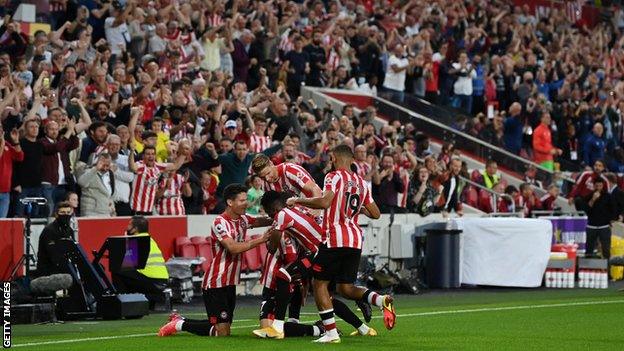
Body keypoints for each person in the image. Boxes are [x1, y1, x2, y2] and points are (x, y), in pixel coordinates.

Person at [287, 144, 395, 343]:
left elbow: (324, 202)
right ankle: (381, 300)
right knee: (346, 288)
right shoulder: (362, 183)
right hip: (354, 240)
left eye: (331, 158)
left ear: (335, 158)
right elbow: (376, 214)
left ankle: (331, 333)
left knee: (319, 284)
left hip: (334, 238)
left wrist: (298, 200)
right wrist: (357, 210)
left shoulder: (333, 176)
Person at [253, 190, 374, 339]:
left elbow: (272, 247)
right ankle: (364, 328)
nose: (271, 217)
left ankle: (277, 327)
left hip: (319, 251)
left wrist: (269, 237)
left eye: (270, 214)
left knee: (283, 274)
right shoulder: (297, 209)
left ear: (272, 209)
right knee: (325, 299)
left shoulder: (281, 215)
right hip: (329, 249)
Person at [158, 183, 273, 337]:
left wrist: (279, 215)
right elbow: (232, 247)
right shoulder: (220, 223)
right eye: (242, 200)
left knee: (222, 326)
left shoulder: (243, 220)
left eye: (246, 200)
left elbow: (260, 221)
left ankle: (180, 320)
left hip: (230, 282)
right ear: (230, 202)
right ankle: (179, 324)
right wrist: (261, 240)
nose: (246, 203)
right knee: (222, 331)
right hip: (216, 282)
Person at [112, 216, 169, 309]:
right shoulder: (149, 239)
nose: (127, 227)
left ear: (135, 229)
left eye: (129, 225)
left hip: (152, 281)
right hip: (161, 280)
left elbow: (128, 265)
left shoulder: (136, 240)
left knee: (117, 271)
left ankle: (123, 303)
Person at [252, 154, 321, 199]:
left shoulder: (289, 170)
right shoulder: (265, 186)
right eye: (262, 177)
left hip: (314, 204)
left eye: (268, 173)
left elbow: (315, 189)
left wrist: (317, 209)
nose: (267, 178)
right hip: (297, 213)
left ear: (271, 164)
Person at [35, 201, 75, 277]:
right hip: (48, 272)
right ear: (56, 214)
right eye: (62, 212)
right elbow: (53, 255)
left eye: (68, 212)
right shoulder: (49, 230)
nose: (66, 215)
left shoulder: (69, 230)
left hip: (63, 270)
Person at [582, 178, 614, 259]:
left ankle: (607, 269)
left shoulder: (608, 196)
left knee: (606, 249)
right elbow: (586, 210)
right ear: (594, 186)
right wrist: (593, 199)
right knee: (589, 249)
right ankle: (587, 269)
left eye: (600, 186)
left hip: (604, 226)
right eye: (597, 186)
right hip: (591, 226)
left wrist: (610, 220)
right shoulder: (588, 196)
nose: (598, 188)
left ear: (603, 186)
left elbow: (612, 209)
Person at [77, 152, 116, 217]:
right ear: (97, 162)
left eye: (107, 165)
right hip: (91, 212)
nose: (105, 168)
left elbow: (110, 194)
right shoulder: (89, 171)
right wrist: (95, 169)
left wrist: (113, 210)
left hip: (106, 212)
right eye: (103, 165)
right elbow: (81, 182)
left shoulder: (110, 174)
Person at [0, 125, 23, 217]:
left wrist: (16, 141)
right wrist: (2, 143)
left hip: (5, 192)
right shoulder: (3, 144)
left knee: (2, 224)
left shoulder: (6, 144)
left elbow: (19, 157)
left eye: (1, 128)